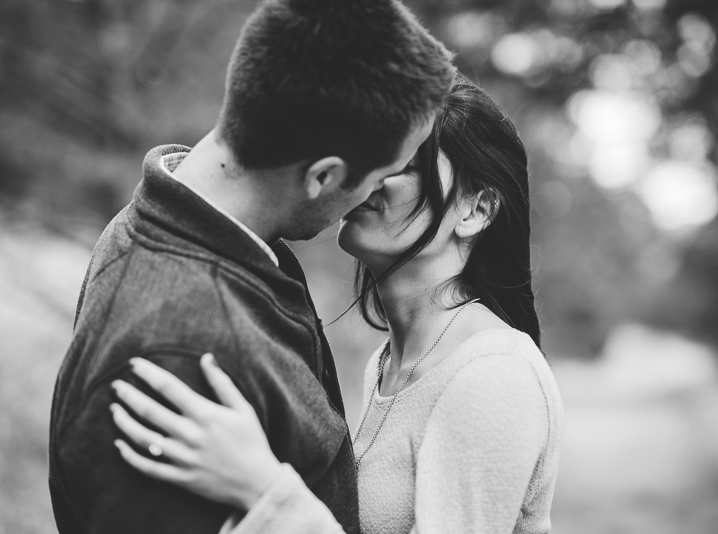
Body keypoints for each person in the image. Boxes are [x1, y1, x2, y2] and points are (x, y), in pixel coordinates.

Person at [48, 0, 455, 532]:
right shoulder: (183, 355)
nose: (376, 195)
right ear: (323, 177)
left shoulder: (198, 225)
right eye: (379, 175)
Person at [108, 75, 564, 534]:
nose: (362, 177)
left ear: (475, 211)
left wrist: (262, 489)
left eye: (402, 162)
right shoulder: (387, 365)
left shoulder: (491, 376)